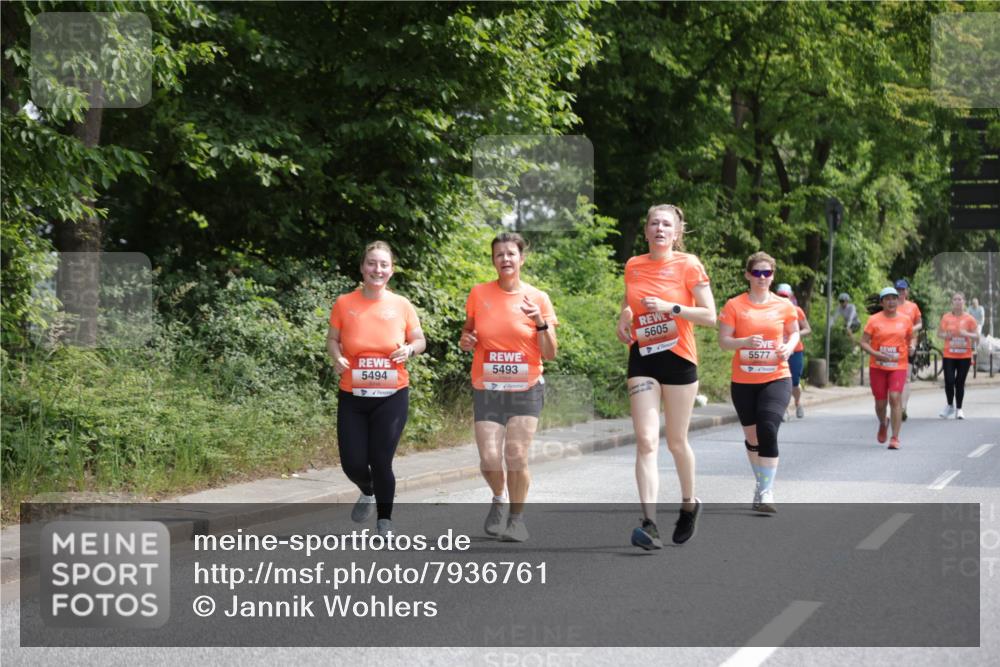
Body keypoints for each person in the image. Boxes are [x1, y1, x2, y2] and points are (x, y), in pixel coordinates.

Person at [617, 204, 717, 550]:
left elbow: (710, 315)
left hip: (678, 359)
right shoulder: (633, 265)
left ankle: (689, 504)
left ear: (677, 233)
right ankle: (649, 523)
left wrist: (672, 308)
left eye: (666, 224)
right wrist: (623, 319)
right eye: (653, 223)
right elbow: (630, 302)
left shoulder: (688, 264)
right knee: (646, 441)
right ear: (646, 232)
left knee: (676, 441)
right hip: (643, 358)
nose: (659, 229)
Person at [459, 232, 557, 542]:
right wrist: (466, 341)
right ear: (493, 260)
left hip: (526, 386)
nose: (505, 259)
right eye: (499, 254)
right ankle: (499, 497)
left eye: (511, 254)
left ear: (521, 258)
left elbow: (551, 352)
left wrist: (540, 321)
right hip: (487, 385)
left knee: (515, 454)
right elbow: (468, 332)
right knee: (489, 457)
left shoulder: (537, 298)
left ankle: (517, 519)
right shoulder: (479, 294)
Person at [327, 241, 426, 537]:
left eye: (383, 264)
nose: (377, 269)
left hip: (392, 395)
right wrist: (337, 356)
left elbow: (421, 340)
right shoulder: (345, 303)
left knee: (381, 459)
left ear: (391, 270)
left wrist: (409, 350)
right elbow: (332, 340)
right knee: (353, 463)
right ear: (362, 267)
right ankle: (366, 489)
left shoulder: (402, 305)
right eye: (372, 263)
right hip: (353, 395)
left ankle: (385, 521)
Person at [718, 252, 799, 514]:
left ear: (773, 276)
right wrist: (743, 342)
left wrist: (788, 347)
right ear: (748, 275)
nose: (762, 278)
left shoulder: (784, 306)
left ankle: (766, 492)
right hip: (743, 380)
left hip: (776, 377)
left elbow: (794, 331)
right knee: (752, 438)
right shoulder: (734, 305)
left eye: (767, 273)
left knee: (768, 429)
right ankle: (760, 483)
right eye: (757, 273)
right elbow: (723, 341)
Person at [859, 287, 915, 450]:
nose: (891, 301)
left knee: (895, 397)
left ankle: (895, 437)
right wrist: (877, 354)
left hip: (898, 365)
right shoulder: (874, 320)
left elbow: (911, 337)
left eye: (894, 298)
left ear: (898, 300)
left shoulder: (905, 320)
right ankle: (883, 422)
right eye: (887, 299)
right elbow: (863, 342)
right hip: (878, 366)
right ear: (882, 302)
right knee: (880, 403)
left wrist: (912, 346)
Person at [937, 292, 979, 419]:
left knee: (959, 383)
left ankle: (959, 409)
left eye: (960, 299)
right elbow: (939, 334)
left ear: (964, 302)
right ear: (952, 302)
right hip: (949, 355)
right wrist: (946, 336)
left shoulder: (969, 319)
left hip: (964, 356)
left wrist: (967, 334)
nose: (957, 301)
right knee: (949, 381)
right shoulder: (946, 317)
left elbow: (977, 337)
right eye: (955, 299)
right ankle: (950, 405)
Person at [775, 283, 811, 419]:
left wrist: (795, 334)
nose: (783, 298)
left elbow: (807, 329)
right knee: (780, 381)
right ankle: (783, 409)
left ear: (791, 296)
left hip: (795, 350)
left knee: (794, 382)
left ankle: (797, 403)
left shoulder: (797, 310)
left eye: (786, 296)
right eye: (781, 296)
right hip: (778, 351)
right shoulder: (771, 310)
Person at [894, 279, 922, 421]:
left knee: (906, 378)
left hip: (909, 343)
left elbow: (919, 324)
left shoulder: (913, 307)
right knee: (893, 379)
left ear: (907, 291)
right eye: (898, 290)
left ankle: (903, 408)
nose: (900, 293)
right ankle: (895, 406)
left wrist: (910, 330)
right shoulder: (890, 306)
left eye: (903, 290)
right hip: (893, 346)